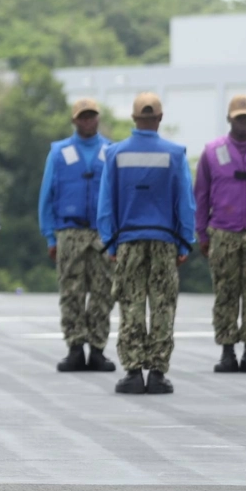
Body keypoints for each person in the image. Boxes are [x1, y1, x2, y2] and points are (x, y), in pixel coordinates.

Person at [98, 93, 195, 395]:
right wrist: (185, 242)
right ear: (160, 118)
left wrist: (110, 243)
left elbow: (106, 204)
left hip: (127, 241)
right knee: (163, 306)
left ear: (133, 118)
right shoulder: (175, 154)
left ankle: (132, 372)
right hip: (165, 241)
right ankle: (157, 373)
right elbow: (185, 203)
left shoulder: (115, 153)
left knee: (132, 305)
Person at [38, 98, 116, 372]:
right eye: (83, 117)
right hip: (69, 232)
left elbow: (118, 196)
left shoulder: (111, 151)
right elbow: (47, 196)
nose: (88, 121)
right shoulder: (59, 152)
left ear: (98, 118)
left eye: (92, 116)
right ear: (74, 120)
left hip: (101, 234)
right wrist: (50, 236)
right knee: (70, 292)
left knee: (102, 292)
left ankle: (97, 349)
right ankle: (74, 347)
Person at [195, 95, 246, 373]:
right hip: (223, 231)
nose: (244, 122)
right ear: (229, 118)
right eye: (239, 117)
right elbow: (201, 195)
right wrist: (201, 234)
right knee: (225, 293)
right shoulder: (212, 151)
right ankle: (227, 350)